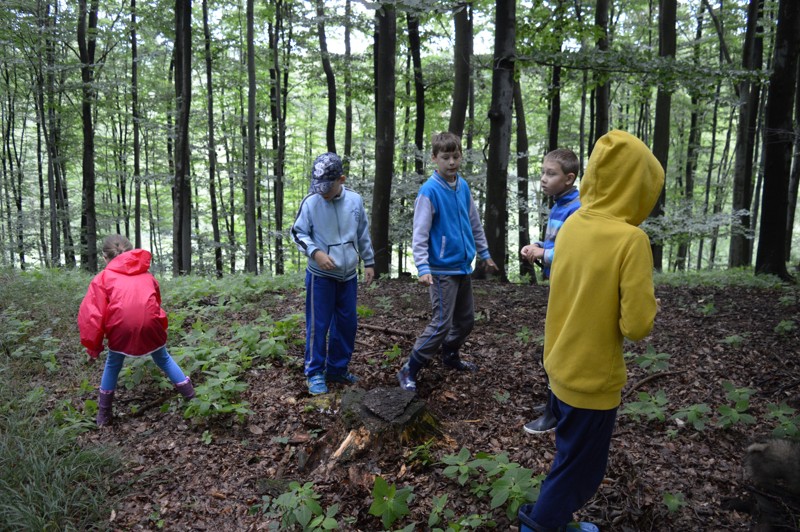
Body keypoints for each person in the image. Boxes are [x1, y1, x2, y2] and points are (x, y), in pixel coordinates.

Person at [517, 130, 664, 532]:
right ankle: (541, 524)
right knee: (579, 473)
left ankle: (554, 517)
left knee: (568, 456)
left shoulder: (574, 221)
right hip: (593, 380)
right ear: (638, 186)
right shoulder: (631, 240)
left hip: (559, 365)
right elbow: (636, 326)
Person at [397, 132, 498, 392]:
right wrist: (422, 267)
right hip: (441, 269)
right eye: (445, 157)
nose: (451, 162)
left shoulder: (462, 186)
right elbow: (419, 233)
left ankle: (450, 355)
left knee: (466, 321)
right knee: (441, 322)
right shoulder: (429, 191)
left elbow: (473, 221)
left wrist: (484, 253)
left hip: (463, 265)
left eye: (455, 156)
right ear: (434, 159)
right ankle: (410, 368)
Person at [78, 235, 195, 427]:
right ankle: (191, 397)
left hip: (120, 328)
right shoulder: (147, 276)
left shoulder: (103, 278)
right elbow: (156, 303)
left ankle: (103, 415)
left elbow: (93, 315)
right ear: (131, 251)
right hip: (151, 326)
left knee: (113, 364)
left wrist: (93, 348)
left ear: (104, 257)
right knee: (163, 358)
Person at [292, 152, 375, 395]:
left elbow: (362, 233)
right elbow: (298, 233)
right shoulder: (311, 202)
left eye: (327, 187)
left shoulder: (355, 201)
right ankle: (315, 372)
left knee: (347, 323)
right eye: (318, 187)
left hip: (348, 275)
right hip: (320, 276)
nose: (322, 192)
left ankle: (337, 369)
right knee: (318, 325)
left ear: (342, 179)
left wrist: (368, 261)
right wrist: (315, 252)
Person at [520, 148, 581, 435]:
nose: (543, 179)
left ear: (569, 178)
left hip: (570, 289)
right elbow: (559, 244)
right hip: (558, 287)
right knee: (553, 345)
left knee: (557, 348)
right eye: (543, 172)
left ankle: (554, 412)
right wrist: (540, 249)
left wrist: (542, 253)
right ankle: (554, 404)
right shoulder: (559, 203)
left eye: (551, 173)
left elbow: (572, 253)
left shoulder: (576, 208)